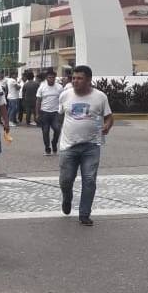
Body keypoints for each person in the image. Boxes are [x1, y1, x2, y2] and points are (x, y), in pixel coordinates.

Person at [57, 65, 113, 226]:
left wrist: (107, 126)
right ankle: (67, 198)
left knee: (89, 179)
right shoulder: (65, 96)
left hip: (92, 145)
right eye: (73, 78)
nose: (75, 81)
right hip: (69, 146)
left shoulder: (100, 97)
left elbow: (109, 117)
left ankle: (84, 213)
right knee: (66, 180)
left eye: (79, 78)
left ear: (89, 80)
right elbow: (61, 116)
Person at [36, 69, 63, 155]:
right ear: (46, 78)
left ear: (55, 78)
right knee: (45, 132)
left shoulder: (59, 87)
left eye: (52, 77)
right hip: (44, 112)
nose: (51, 79)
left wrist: (62, 113)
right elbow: (38, 101)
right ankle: (47, 149)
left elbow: (63, 100)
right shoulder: (42, 87)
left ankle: (54, 143)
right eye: (49, 77)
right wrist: (37, 113)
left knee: (57, 129)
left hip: (56, 112)